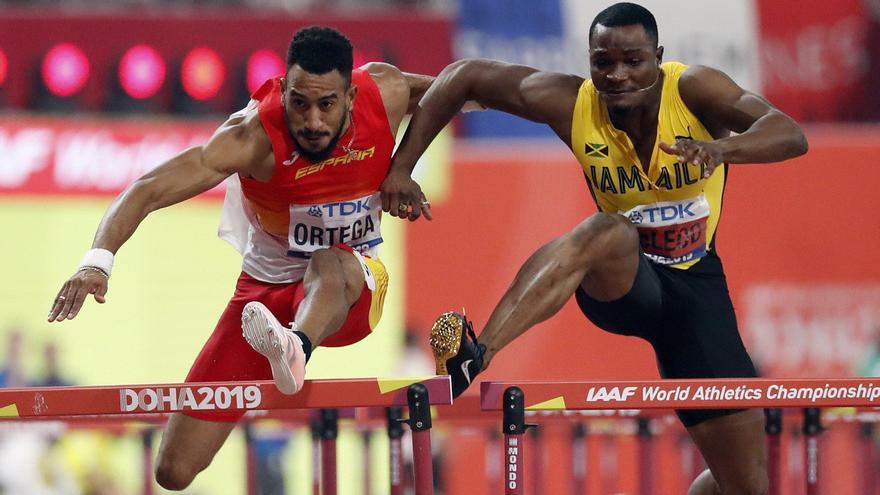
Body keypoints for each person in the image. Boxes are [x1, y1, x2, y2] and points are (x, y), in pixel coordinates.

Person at [381, 3, 808, 494]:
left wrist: (719, 149)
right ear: (588, 61)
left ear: (658, 57)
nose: (617, 75)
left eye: (633, 61)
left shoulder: (695, 89)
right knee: (607, 230)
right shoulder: (571, 101)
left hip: (696, 294)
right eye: (603, 62)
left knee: (745, 486)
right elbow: (462, 76)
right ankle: (477, 355)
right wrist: (401, 167)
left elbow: (788, 133)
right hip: (624, 282)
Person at [47, 26, 435, 490]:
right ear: (283, 92)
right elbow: (147, 189)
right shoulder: (249, 137)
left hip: (349, 288)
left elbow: (460, 88)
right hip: (262, 303)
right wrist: (98, 260)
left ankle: (298, 348)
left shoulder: (384, 92)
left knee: (327, 261)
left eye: (326, 105)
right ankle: (285, 345)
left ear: (350, 96)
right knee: (173, 470)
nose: (312, 122)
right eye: (298, 104)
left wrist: (405, 165)